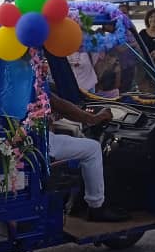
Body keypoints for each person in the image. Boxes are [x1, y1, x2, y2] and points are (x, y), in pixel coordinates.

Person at [49, 92, 125, 221]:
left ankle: (75, 204)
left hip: (20, 140)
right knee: (93, 148)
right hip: (39, 142)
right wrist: (94, 118)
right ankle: (96, 207)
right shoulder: (32, 78)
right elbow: (60, 104)